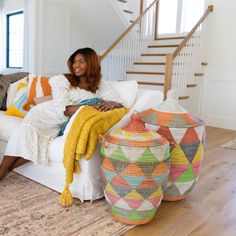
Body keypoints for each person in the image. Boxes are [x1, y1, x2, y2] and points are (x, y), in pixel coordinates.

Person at [0, 47, 123, 180]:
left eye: (81, 62)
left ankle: (5, 170)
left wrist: (113, 103)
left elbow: (119, 102)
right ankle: (3, 171)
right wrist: (92, 105)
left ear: (91, 63)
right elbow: (64, 109)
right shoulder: (62, 80)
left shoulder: (100, 85)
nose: (76, 65)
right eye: (74, 61)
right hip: (43, 115)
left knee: (40, 146)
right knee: (24, 133)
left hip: (58, 124)